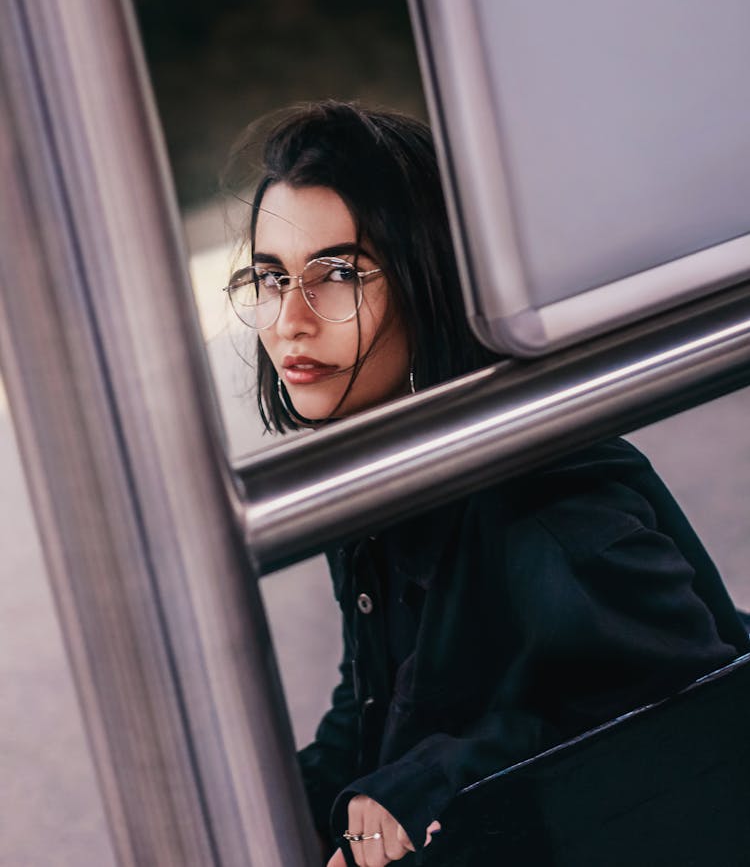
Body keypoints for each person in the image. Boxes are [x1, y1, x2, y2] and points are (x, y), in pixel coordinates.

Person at [225, 100, 749, 867]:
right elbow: (373, 698)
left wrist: (442, 776)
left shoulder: (549, 508)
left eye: (336, 274)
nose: (289, 321)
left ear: (428, 275)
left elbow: (689, 722)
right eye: (271, 277)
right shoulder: (374, 472)